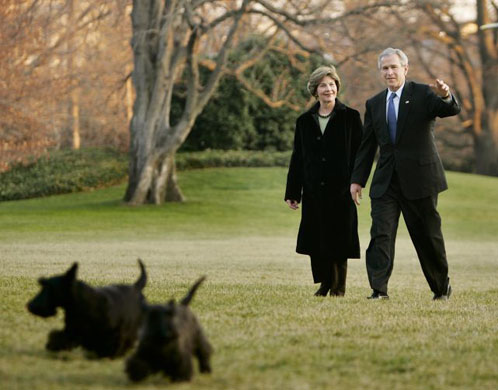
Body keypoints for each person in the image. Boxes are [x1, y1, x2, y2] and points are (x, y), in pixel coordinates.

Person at [350, 47, 461, 300]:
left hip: (420, 180)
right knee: (381, 234)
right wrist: (357, 180)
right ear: (380, 72)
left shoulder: (422, 93)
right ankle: (379, 290)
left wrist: (445, 95)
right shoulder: (375, 103)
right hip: (386, 182)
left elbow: (450, 110)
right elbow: (367, 147)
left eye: (394, 67)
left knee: (427, 237)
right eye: (385, 68)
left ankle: (441, 289)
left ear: (405, 69)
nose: (389, 72)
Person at [285, 65, 363, 297]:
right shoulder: (304, 121)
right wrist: (293, 191)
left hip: (341, 190)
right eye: (323, 85)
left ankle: (338, 287)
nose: (328, 89)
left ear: (337, 87)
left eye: (332, 84)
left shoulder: (351, 117)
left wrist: (357, 182)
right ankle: (325, 283)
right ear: (315, 91)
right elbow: (297, 157)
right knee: (317, 238)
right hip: (313, 190)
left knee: (339, 238)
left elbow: (361, 154)